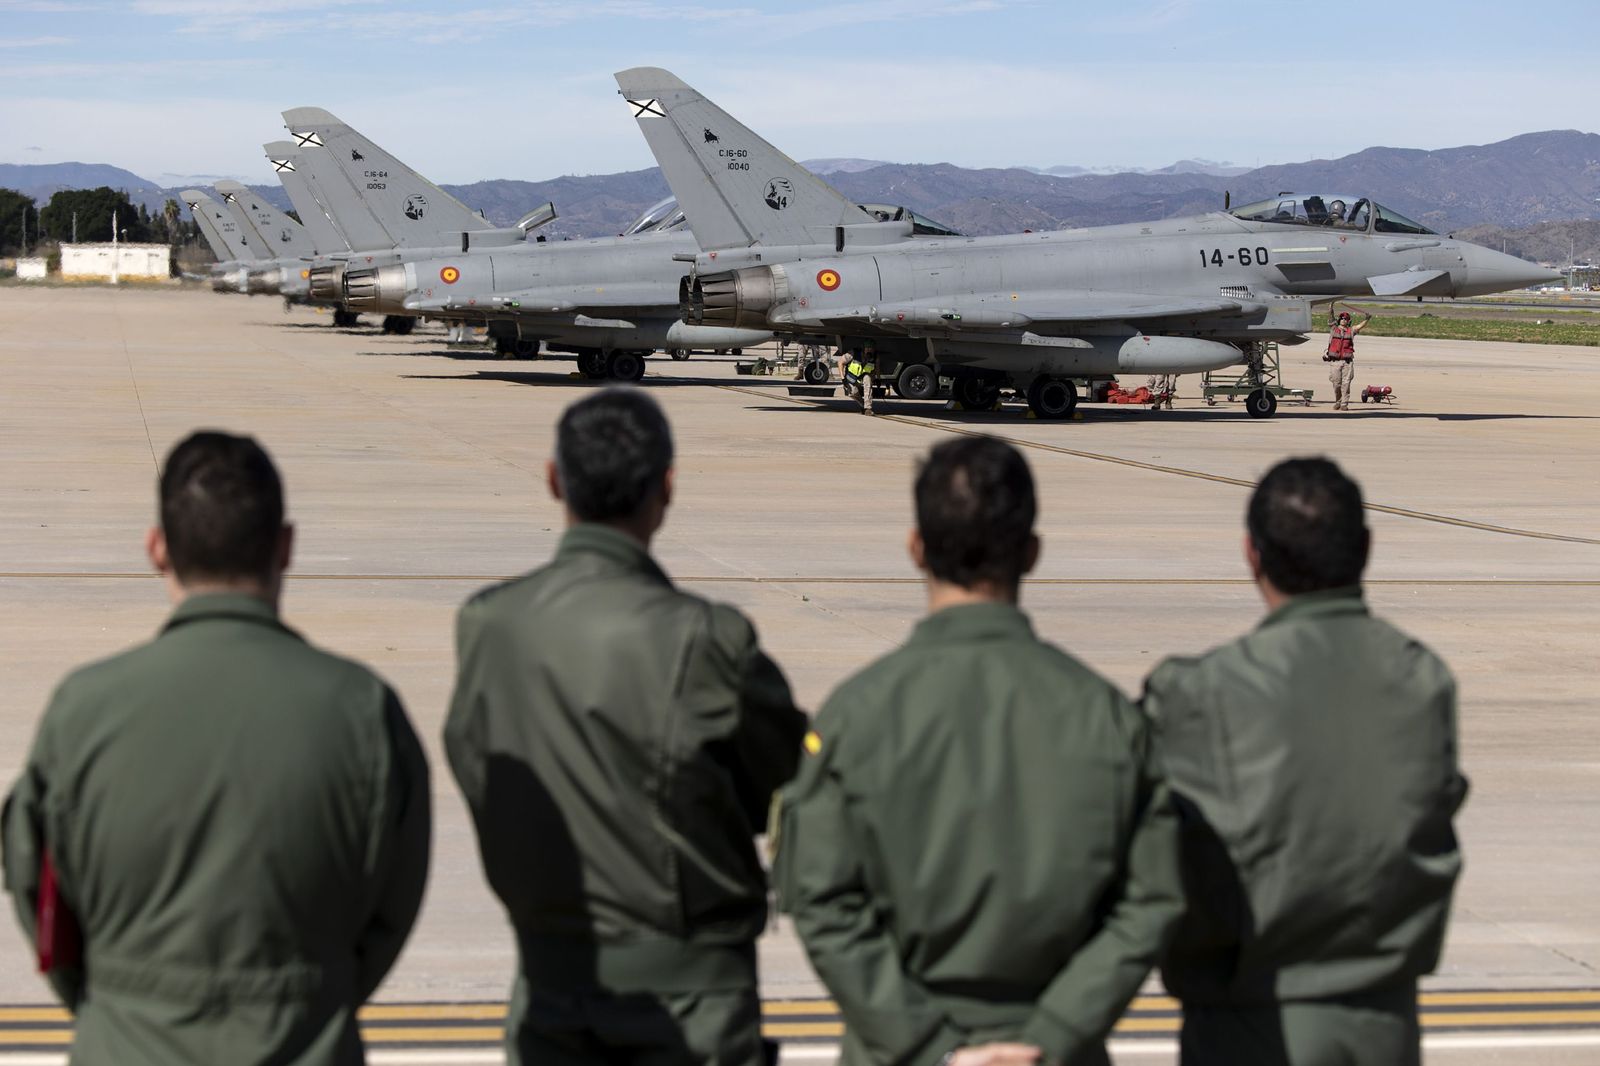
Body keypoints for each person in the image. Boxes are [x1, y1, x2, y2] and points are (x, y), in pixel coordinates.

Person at [1, 431, 431, 1066]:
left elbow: (34, 883)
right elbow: (391, 903)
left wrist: (115, 1002)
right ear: (285, 548)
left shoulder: (83, 709)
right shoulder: (362, 709)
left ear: (156, 548)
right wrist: (306, 999)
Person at [775, 436, 1182, 1066]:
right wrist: (1050, 1036)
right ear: (1032, 552)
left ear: (916, 548)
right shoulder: (1104, 717)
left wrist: (929, 1045)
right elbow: (1150, 900)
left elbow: (824, 905)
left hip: (898, 1050)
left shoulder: (855, 716)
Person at [443, 388, 807, 1066]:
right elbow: (785, 786)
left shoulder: (489, 625)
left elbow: (474, 763)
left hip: (551, 986)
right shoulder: (707, 638)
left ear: (555, 480)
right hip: (691, 1000)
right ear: (666, 489)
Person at [1142, 457, 1468, 1066]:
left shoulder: (1202, 690)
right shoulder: (1423, 681)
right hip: (1383, 1026)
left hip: (1245, 1025)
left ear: (1251, 554)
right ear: (1365, 549)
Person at [1324, 306, 1370, 410]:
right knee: (1336, 384)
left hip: (1347, 363)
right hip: (1335, 362)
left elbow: (1359, 326)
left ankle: (1344, 404)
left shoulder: (1351, 331)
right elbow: (1331, 318)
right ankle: (1338, 401)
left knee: (1346, 383)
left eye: (1346, 319)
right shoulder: (1333, 328)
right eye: (1342, 318)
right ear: (1339, 320)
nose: (1343, 320)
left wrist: (1367, 319)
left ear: (1348, 321)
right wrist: (1331, 308)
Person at [841, 343, 879, 415]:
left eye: (871, 348)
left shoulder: (875, 357)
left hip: (864, 376)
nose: (869, 350)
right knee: (852, 393)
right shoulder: (853, 353)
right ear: (863, 349)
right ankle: (862, 404)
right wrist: (843, 379)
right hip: (852, 378)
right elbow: (840, 363)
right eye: (867, 348)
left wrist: (878, 379)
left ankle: (868, 408)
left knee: (868, 379)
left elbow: (877, 368)